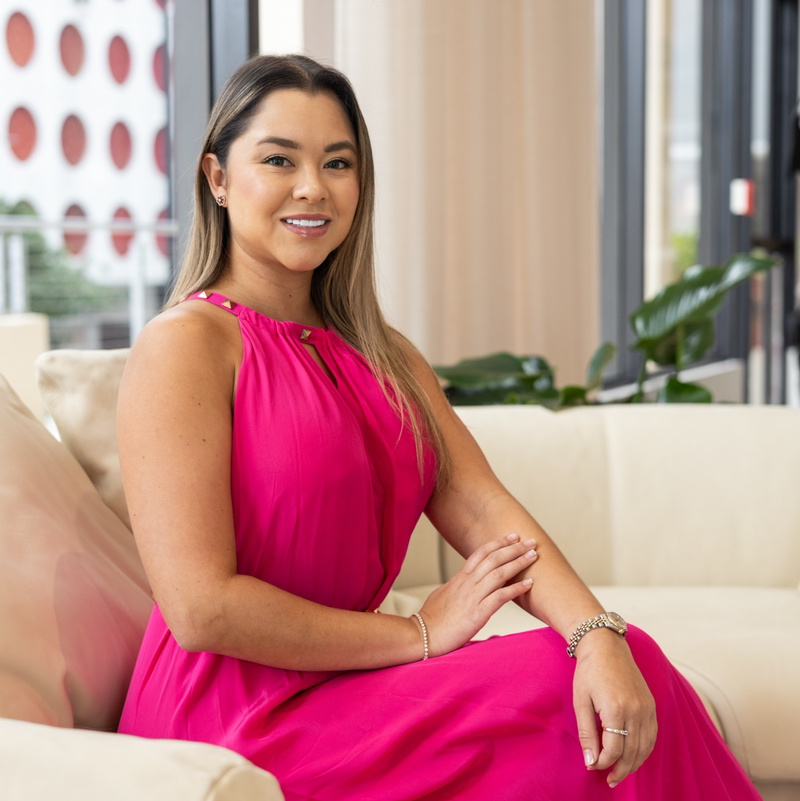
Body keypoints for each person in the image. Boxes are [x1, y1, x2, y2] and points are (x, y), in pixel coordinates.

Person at [117, 54, 761, 800]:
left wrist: (596, 632)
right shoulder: (185, 345)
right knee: (564, 706)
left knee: (616, 667)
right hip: (229, 723)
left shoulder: (386, 356)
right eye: (278, 160)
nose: (312, 187)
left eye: (337, 163)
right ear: (218, 178)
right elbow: (202, 608)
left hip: (350, 689)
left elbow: (484, 509)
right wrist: (417, 634)